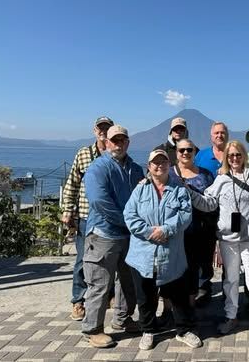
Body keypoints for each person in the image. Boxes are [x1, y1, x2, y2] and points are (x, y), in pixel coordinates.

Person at [188, 140, 249, 343]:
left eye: (238, 154)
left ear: (244, 155)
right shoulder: (221, 179)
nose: (235, 158)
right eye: (231, 155)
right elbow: (208, 204)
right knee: (231, 280)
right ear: (226, 157)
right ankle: (230, 316)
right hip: (228, 239)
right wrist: (189, 192)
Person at [123, 149, 198, 350]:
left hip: (171, 255)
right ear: (149, 167)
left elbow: (185, 214)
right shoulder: (140, 190)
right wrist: (149, 232)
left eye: (163, 162)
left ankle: (183, 330)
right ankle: (148, 330)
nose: (159, 165)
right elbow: (129, 216)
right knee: (145, 297)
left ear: (169, 165)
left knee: (178, 296)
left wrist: (166, 230)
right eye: (155, 162)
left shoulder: (179, 189)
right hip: (142, 255)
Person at [81, 125, 145, 348]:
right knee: (99, 284)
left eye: (122, 139)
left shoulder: (136, 169)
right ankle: (93, 329)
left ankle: (123, 319)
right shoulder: (98, 168)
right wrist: (128, 221)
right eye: (114, 140)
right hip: (103, 234)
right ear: (106, 142)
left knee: (128, 282)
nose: (118, 143)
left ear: (128, 142)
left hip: (129, 236)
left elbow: (144, 197)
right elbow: (99, 201)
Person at [62, 116, 114, 321]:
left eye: (107, 128)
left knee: (110, 259)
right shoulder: (83, 154)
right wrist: (67, 210)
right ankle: (78, 300)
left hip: (109, 217)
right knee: (83, 260)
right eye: (100, 128)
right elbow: (72, 183)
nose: (103, 131)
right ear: (95, 130)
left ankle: (109, 295)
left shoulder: (116, 153)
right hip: (86, 216)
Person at [170, 139, 215, 310]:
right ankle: (179, 305)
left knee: (202, 266)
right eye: (181, 150)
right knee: (181, 268)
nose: (185, 153)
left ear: (195, 152)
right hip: (179, 231)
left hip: (203, 229)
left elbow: (214, 202)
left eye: (189, 150)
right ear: (176, 152)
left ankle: (195, 302)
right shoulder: (170, 173)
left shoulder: (205, 174)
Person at [193, 121, 228, 303]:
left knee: (230, 254)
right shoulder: (202, 155)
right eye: (216, 133)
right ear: (211, 135)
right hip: (206, 212)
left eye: (222, 132)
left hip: (229, 213)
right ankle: (203, 289)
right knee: (204, 252)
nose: (219, 135)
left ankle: (228, 291)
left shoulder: (234, 152)